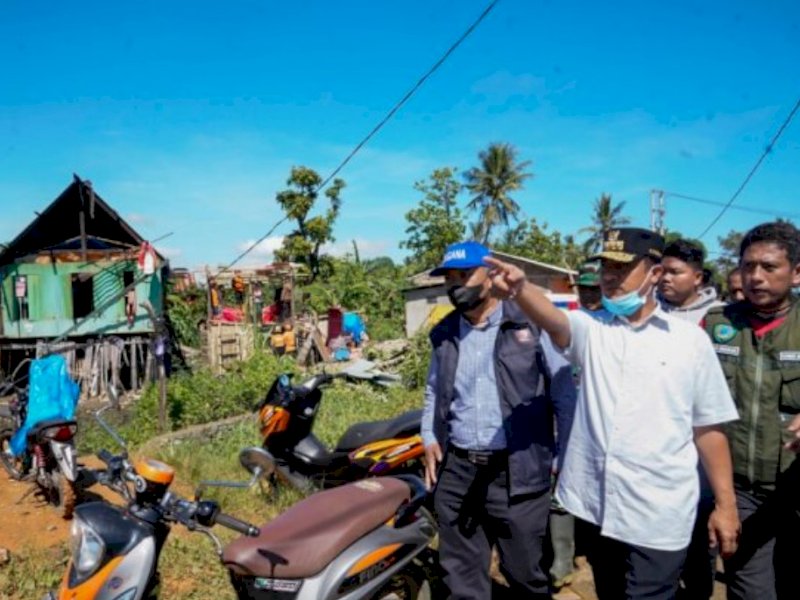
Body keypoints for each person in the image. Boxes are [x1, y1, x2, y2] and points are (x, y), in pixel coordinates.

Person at [485, 227, 740, 600]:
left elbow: (709, 429)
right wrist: (522, 289)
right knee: (609, 591)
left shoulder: (690, 342)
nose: (609, 277)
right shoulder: (594, 329)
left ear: (654, 273)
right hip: (597, 505)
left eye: (621, 268)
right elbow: (555, 320)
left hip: (660, 510)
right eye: (606, 267)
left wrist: (726, 506)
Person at [421, 240, 576, 600]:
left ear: (491, 276)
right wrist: (429, 436)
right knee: (461, 576)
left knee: (524, 573)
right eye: (449, 277)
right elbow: (433, 391)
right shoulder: (444, 333)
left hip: (517, 471)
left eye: (464, 275)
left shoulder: (530, 325)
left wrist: (564, 460)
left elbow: (564, 395)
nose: (455, 285)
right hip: (458, 471)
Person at [702, 221, 800, 600]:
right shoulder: (717, 324)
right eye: (748, 266)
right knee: (750, 592)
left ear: (796, 272)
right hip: (740, 491)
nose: (755, 276)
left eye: (769, 267)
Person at [658, 239, 725, 599]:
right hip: (661, 447)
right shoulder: (648, 313)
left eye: (675, 272)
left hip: (704, 446)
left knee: (700, 536)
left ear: (697, 277)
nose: (665, 278)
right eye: (662, 271)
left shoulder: (721, 318)